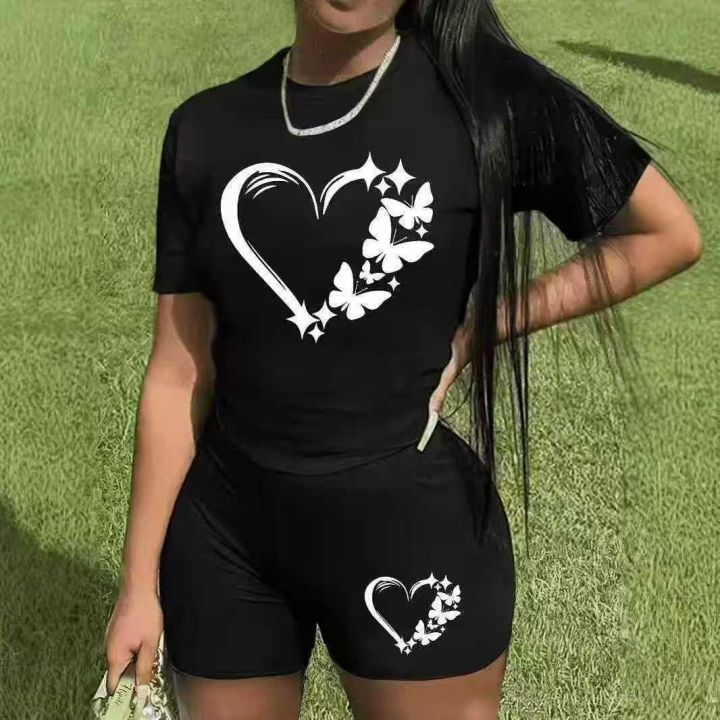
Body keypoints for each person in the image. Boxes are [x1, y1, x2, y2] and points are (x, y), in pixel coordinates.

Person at [104, 1, 702, 718]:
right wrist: (138, 584)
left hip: (412, 539)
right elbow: (178, 373)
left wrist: (483, 328)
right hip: (226, 544)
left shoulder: (486, 100)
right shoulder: (206, 128)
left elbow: (664, 234)